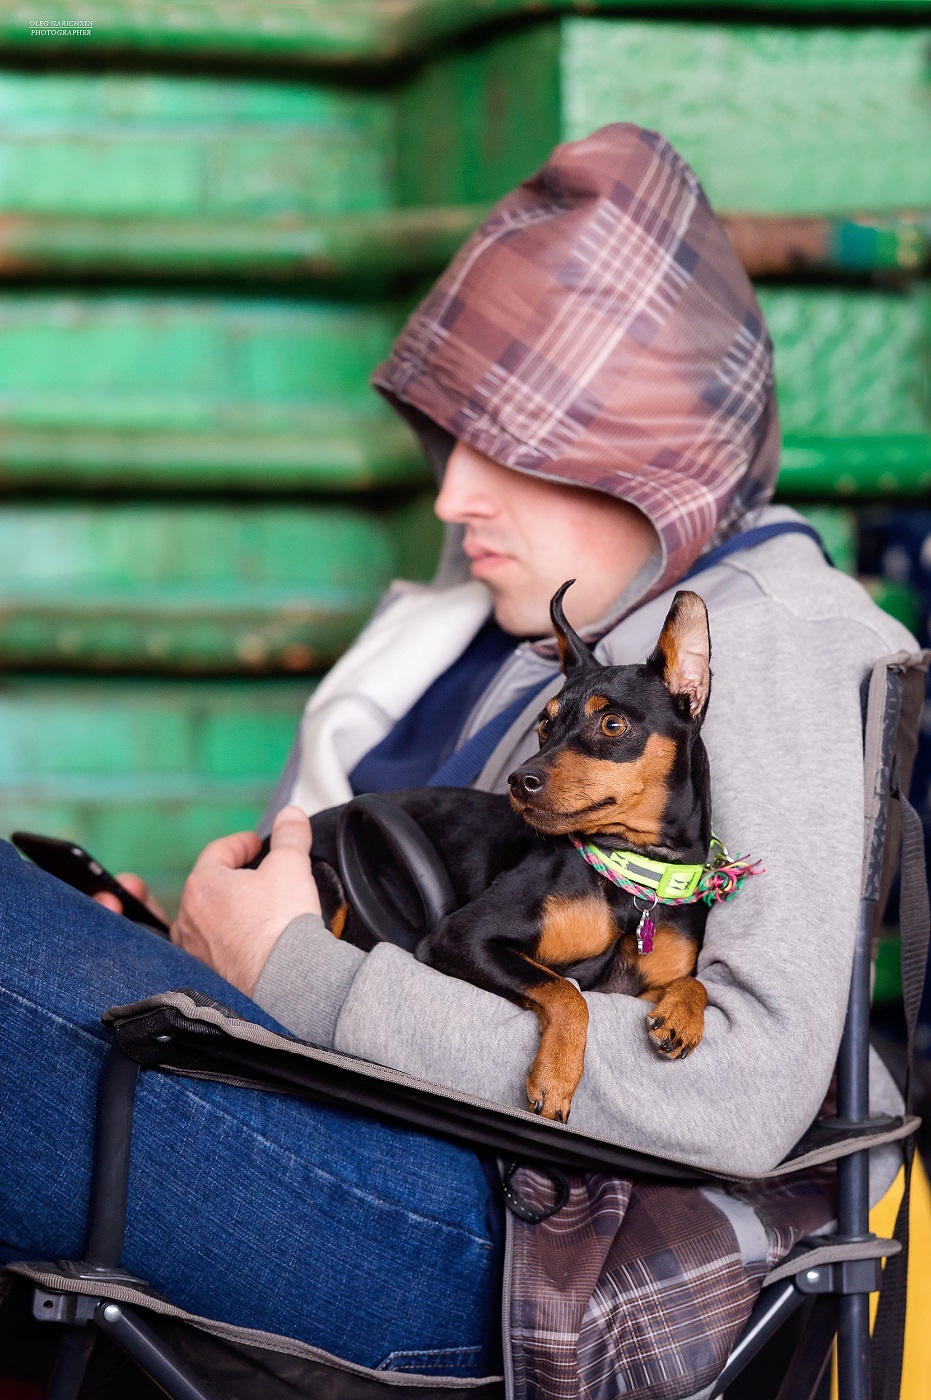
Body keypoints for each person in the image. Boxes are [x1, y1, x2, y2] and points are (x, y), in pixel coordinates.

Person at [0, 124, 915, 1399]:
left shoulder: (760, 633)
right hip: (369, 1124)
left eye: (511, 443)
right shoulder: (533, 622)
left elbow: (743, 1085)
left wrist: (286, 966)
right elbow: (430, 896)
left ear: (648, 454)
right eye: (453, 438)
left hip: (508, 1239)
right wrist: (197, 934)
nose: (450, 496)